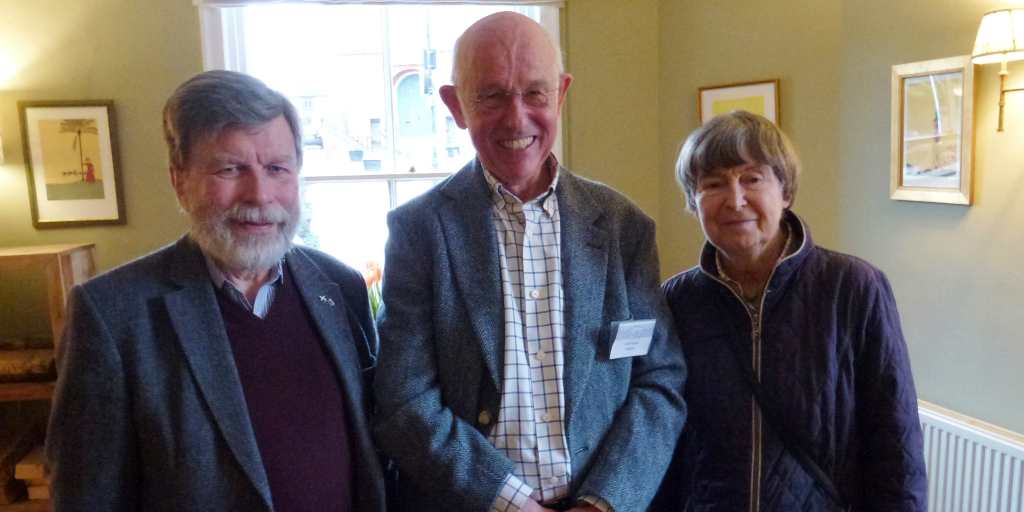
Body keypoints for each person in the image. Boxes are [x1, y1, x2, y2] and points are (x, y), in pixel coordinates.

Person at [372, 12, 687, 512]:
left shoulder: (624, 227)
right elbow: (404, 400)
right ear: (456, 105)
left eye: (535, 93)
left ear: (560, 93)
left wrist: (604, 501)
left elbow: (660, 382)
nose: (516, 118)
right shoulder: (419, 233)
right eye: (492, 96)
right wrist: (510, 501)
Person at [46, 70, 386, 512]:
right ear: (179, 181)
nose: (260, 194)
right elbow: (87, 498)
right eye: (230, 169)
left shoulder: (341, 288)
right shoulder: (112, 316)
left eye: (277, 168)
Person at [658, 111, 927, 510]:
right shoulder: (677, 301)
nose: (735, 199)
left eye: (752, 178)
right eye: (713, 184)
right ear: (692, 202)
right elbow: (663, 444)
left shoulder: (853, 288)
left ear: (785, 193)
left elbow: (895, 446)